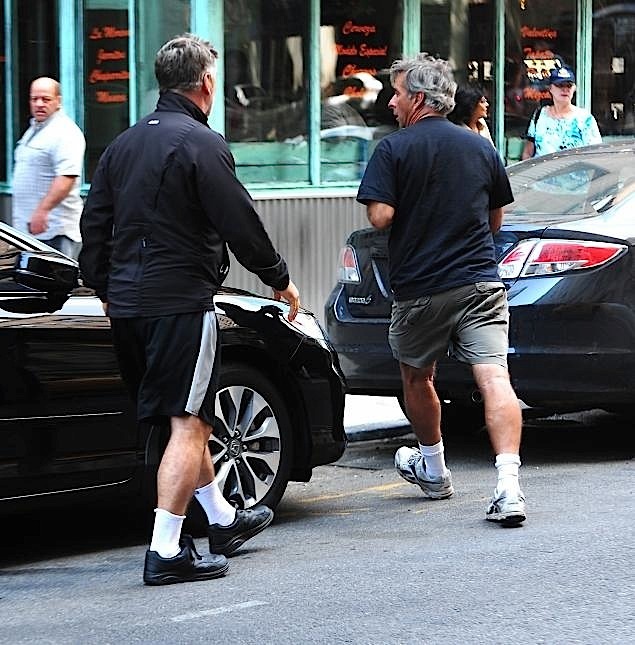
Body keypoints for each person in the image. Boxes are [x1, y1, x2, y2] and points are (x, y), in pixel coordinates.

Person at [79, 34, 301, 585]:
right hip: (179, 301)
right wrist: (279, 279)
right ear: (206, 82)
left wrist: (104, 286)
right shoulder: (202, 144)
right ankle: (165, 550)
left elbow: (94, 225)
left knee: (183, 417)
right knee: (190, 421)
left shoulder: (122, 145)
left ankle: (222, 519)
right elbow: (240, 222)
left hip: (126, 306)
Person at [357, 53, 526, 526]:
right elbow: (495, 222)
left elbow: (380, 217)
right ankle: (509, 487)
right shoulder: (479, 147)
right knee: (494, 379)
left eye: (396, 93)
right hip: (479, 281)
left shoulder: (393, 149)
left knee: (417, 378)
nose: (391, 103)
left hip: (421, 288)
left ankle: (433, 469)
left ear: (417, 98)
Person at [12, 77, 86, 259]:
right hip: (30, 232)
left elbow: (66, 177)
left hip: (54, 231)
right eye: (34, 99)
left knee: (56, 276)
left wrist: (42, 211)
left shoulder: (64, 132)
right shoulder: (35, 129)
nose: (39, 104)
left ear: (58, 101)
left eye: (46, 99)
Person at [521, 66, 602, 159]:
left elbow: (595, 154)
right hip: (542, 168)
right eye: (560, 85)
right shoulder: (540, 115)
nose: (565, 90)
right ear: (550, 88)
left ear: (574, 88)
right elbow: (528, 152)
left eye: (569, 86)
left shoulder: (585, 118)